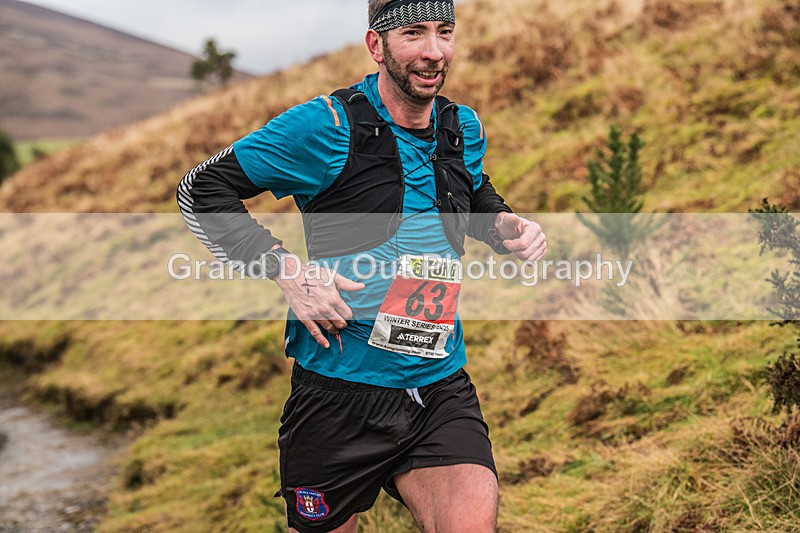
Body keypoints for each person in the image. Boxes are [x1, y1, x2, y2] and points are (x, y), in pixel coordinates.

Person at [177, 0, 546, 531]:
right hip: (337, 395)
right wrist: (287, 271)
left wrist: (502, 225)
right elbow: (202, 189)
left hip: (437, 384)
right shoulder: (325, 126)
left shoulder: (461, 125)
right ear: (377, 45)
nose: (434, 52)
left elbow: (468, 191)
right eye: (414, 34)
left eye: (445, 33)